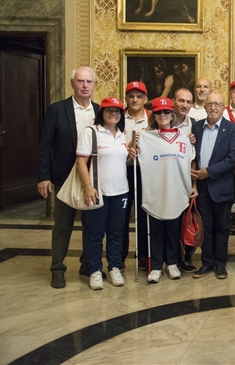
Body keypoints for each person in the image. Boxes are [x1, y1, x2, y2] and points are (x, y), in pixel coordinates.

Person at [37, 67, 99, 289]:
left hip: (92, 179)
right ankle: (57, 269)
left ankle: (87, 264)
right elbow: (45, 146)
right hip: (64, 176)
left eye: (88, 81)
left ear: (93, 85)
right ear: (72, 83)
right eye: (80, 81)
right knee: (63, 225)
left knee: (91, 225)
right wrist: (44, 176)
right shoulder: (57, 110)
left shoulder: (100, 111)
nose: (84, 85)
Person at [137, 97, 197, 283]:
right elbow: (135, 155)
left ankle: (171, 263)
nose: (163, 115)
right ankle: (155, 266)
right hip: (155, 189)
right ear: (153, 115)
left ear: (172, 115)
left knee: (173, 229)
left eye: (166, 112)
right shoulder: (146, 137)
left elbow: (191, 161)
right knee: (155, 229)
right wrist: (134, 145)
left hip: (177, 189)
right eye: (159, 112)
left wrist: (194, 185)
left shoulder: (184, 138)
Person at [76, 98, 133, 290]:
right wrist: (87, 186)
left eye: (117, 111)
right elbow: (81, 162)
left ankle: (115, 267)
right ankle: (94, 270)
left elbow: (118, 162)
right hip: (97, 191)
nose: (113, 114)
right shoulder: (91, 132)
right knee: (94, 233)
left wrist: (130, 155)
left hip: (121, 191)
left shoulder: (122, 135)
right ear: (102, 113)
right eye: (109, 110)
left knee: (116, 233)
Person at [192, 93, 235, 279]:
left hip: (222, 187)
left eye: (218, 104)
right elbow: (192, 153)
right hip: (201, 187)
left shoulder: (232, 129)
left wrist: (209, 172)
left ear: (223, 107)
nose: (213, 107)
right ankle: (206, 262)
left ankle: (220, 264)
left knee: (222, 228)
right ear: (205, 106)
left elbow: (232, 158)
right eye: (210, 103)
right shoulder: (196, 127)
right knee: (206, 226)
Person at [122, 81, 150, 271]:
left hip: (145, 173)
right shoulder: (117, 116)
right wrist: (128, 147)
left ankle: (143, 256)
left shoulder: (152, 118)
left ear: (145, 99)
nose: (135, 99)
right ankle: (120, 256)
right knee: (121, 217)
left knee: (143, 215)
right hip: (122, 172)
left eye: (139, 96)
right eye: (131, 96)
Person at [173, 88, 198, 273]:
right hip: (165, 179)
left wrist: (194, 184)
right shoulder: (163, 120)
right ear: (174, 101)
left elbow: (194, 156)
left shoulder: (194, 125)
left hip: (185, 181)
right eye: (181, 100)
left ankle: (184, 258)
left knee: (186, 222)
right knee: (168, 222)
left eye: (188, 102)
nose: (184, 105)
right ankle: (168, 258)